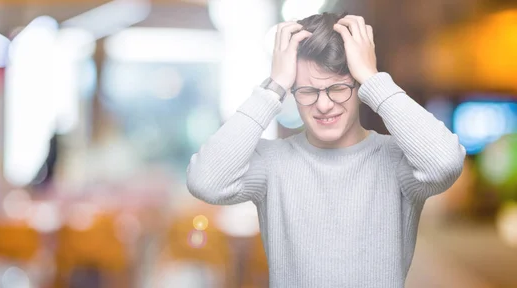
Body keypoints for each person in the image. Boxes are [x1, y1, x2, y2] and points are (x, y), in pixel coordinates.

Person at [186, 12, 466, 288]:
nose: (323, 105)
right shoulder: (272, 163)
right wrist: (274, 86)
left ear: (359, 86)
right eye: (307, 91)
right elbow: (205, 181)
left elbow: (445, 163)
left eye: (338, 88)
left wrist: (373, 77)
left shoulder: (396, 161)